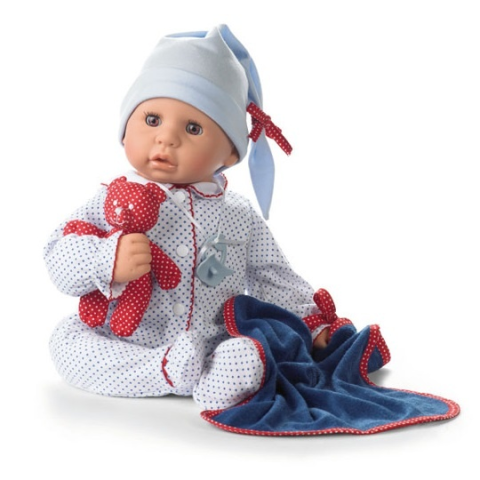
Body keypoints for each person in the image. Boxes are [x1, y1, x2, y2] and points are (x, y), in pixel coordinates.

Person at [45, 25, 330, 411]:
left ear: (230, 153)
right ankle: (164, 371)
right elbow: (57, 253)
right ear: (124, 131)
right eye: (152, 120)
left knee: (249, 352)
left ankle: (217, 377)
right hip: (121, 340)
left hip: (208, 344)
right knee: (66, 342)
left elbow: (271, 274)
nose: (166, 138)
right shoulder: (112, 198)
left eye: (193, 128)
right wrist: (105, 259)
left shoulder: (237, 215)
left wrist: (312, 321)